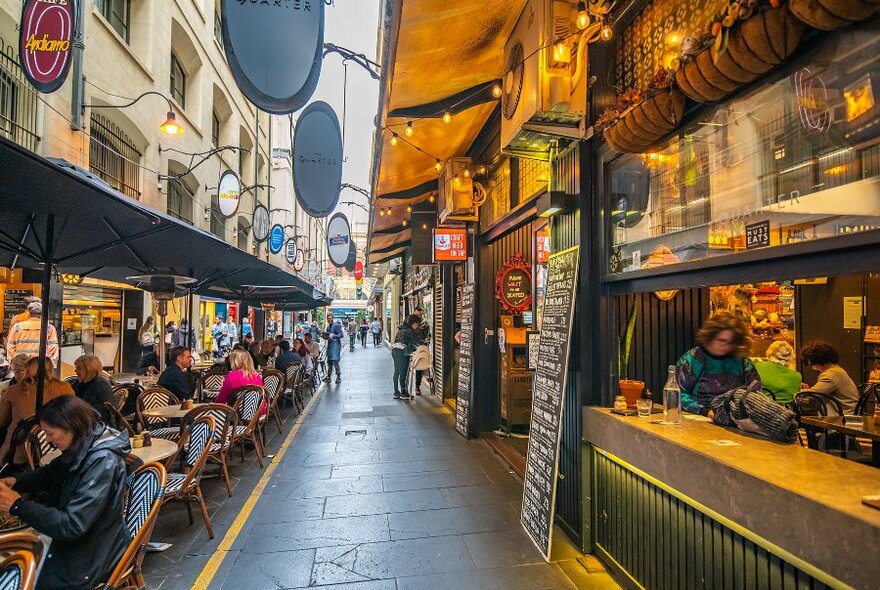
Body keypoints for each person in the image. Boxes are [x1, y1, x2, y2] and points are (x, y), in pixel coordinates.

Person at [0, 396, 131, 590]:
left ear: (72, 425)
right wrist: (16, 481)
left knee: (15, 571)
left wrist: (18, 505)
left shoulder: (102, 462)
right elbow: (49, 473)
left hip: (89, 559)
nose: (49, 441)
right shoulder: (83, 445)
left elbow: (72, 525)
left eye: (50, 433)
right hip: (82, 544)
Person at [675, 311, 761, 416]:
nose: (725, 346)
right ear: (709, 336)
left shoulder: (741, 360)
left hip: (735, 418)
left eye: (730, 342)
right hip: (699, 418)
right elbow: (677, 394)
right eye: (721, 340)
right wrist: (706, 411)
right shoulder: (693, 358)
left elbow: (756, 394)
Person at [0, 357, 73, 467]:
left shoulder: (13, 391)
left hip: (20, 452)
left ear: (28, 369)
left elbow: (1, 421)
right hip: (58, 448)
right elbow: (73, 414)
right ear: (50, 369)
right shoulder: (65, 388)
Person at [800, 340, 859, 414]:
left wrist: (795, 389)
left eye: (808, 360)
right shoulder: (836, 370)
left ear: (816, 359)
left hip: (841, 416)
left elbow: (814, 394)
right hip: (848, 412)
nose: (808, 363)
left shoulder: (830, 375)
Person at [216, 349, 266, 415]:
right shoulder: (257, 376)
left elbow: (221, 400)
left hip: (236, 415)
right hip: (256, 414)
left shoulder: (231, 376)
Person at [7, 301, 58, 365]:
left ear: (29, 313)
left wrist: (12, 362)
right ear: (42, 314)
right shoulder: (49, 328)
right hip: (39, 365)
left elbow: (10, 347)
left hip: (21, 363)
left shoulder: (17, 327)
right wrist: (50, 365)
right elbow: (52, 349)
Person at [754, 341, 801, 406]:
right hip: (787, 413)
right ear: (790, 357)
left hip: (761, 411)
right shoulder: (797, 376)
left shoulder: (758, 366)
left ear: (770, 353)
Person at [71, 354, 113, 423]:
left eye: (79, 368)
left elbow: (104, 413)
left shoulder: (100, 385)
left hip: (98, 427)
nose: (75, 371)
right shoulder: (79, 383)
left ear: (89, 369)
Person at [392, 315, 423, 400]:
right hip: (402, 351)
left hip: (394, 350)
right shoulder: (410, 331)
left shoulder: (401, 329)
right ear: (414, 323)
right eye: (417, 324)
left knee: (397, 371)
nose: (417, 326)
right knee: (403, 372)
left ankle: (396, 392)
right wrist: (424, 345)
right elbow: (417, 342)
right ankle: (403, 392)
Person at [412, 306, 431, 396]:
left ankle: (417, 387)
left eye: (420, 315)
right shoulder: (409, 321)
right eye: (417, 314)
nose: (419, 316)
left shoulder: (425, 323)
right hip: (411, 347)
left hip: (421, 348)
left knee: (419, 367)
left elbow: (428, 335)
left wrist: (425, 344)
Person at [323, 315, 344, 383]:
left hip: (335, 346)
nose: (329, 320)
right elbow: (328, 336)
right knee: (329, 362)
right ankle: (329, 376)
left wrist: (334, 336)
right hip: (330, 345)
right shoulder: (328, 327)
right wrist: (324, 336)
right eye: (328, 318)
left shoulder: (336, 325)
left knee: (335, 362)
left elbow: (341, 335)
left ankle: (338, 377)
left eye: (330, 318)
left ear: (332, 318)